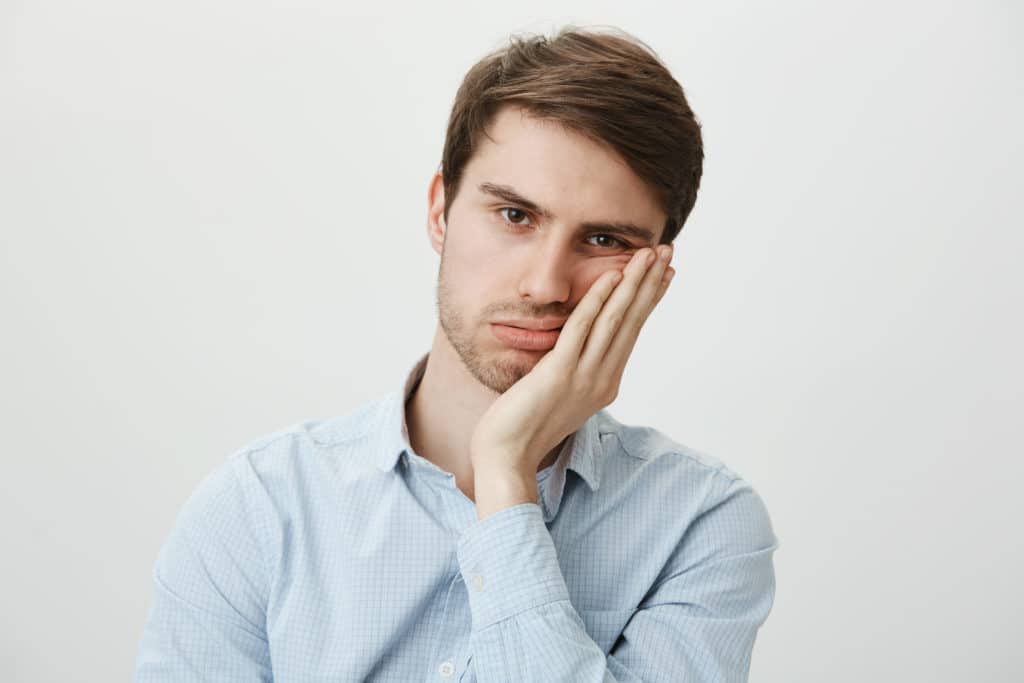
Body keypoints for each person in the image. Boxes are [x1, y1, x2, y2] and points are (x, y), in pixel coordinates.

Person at [135, 25, 779, 682]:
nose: (545, 284)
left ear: (654, 274)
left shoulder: (700, 524)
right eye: (514, 216)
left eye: (605, 238)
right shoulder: (260, 508)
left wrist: (504, 475)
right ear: (440, 210)